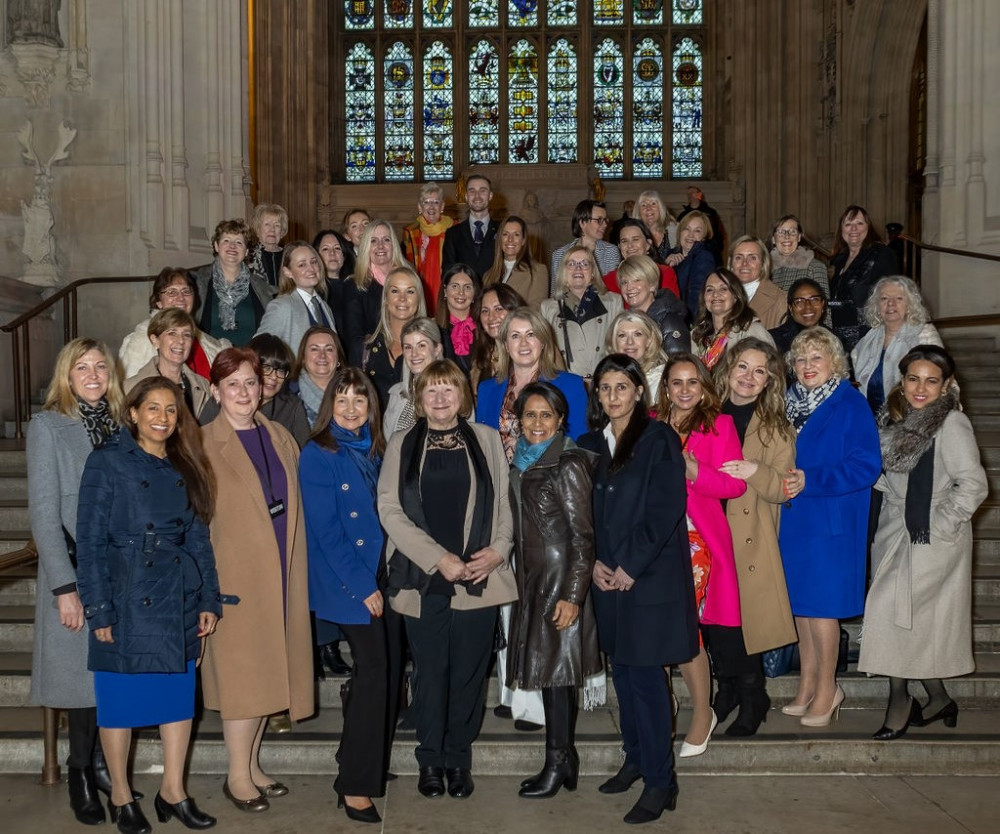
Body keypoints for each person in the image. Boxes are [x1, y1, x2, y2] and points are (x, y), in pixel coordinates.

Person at [76, 377, 221, 832]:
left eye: (171, 410)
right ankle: (121, 794)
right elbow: (90, 541)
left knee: (178, 702)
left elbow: (199, 537)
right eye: (152, 408)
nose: (162, 418)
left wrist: (209, 598)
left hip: (176, 594)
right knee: (119, 703)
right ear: (133, 413)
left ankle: (173, 791)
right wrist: (99, 608)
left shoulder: (185, 463)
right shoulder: (107, 462)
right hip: (125, 595)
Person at [378, 359, 518, 800]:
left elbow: (503, 505)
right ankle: (430, 760)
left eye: (449, 390)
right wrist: (439, 559)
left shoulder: (488, 439)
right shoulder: (402, 443)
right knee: (431, 673)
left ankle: (458, 760)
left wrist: (498, 551)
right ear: (419, 399)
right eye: (431, 391)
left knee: (468, 676)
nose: (440, 399)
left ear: (463, 396)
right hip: (424, 578)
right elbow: (389, 509)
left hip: (479, 575)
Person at [578, 354, 697, 824]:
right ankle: (635, 758)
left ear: (637, 392)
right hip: (606, 578)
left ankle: (661, 782)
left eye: (621, 388)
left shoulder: (658, 438)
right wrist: (594, 564)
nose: (612, 397)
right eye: (604, 389)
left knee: (647, 681)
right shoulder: (590, 443)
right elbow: (582, 513)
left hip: (648, 580)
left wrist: (629, 564)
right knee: (623, 676)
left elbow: (666, 507)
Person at [200, 348, 315, 813]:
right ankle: (236, 775)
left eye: (251, 382)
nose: (244, 392)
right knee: (244, 682)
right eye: (233, 385)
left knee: (273, 674)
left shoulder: (280, 435)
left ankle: (253, 765)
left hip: (282, 573)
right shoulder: (202, 443)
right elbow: (194, 522)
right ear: (215, 391)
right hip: (237, 578)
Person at [857, 346, 987, 739]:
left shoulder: (951, 423)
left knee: (889, 612)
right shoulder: (893, 418)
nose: (920, 388)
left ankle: (899, 701)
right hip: (896, 528)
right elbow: (889, 475)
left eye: (932, 381)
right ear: (902, 379)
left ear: (946, 385)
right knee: (910, 620)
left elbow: (974, 485)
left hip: (933, 536)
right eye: (913, 378)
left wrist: (942, 522)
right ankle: (939, 698)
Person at [28, 339, 126, 826]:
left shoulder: (122, 424)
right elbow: (44, 515)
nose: (92, 375)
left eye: (100, 367)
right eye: (81, 367)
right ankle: (81, 771)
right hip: (77, 572)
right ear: (66, 376)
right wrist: (65, 588)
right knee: (83, 685)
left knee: (111, 680)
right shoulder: (48, 426)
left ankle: (109, 764)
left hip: (121, 573)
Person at [300, 368, 390, 823]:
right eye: (342, 400)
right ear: (328, 406)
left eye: (360, 400)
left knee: (378, 677)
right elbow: (329, 532)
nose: (351, 408)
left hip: (379, 573)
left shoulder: (373, 447)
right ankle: (354, 783)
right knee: (374, 676)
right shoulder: (318, 453)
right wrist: (364, 589)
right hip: (349, 580)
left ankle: (359, 756)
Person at [779, 327, 881, 727]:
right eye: (801, 359)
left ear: (834, 362)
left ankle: (829, 688)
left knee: (822, 611)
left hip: (830, 522)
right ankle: (807, 684)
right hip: (794, 521)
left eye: (817, 358)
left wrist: (811, 479)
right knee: (802, 610)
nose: (808, 366)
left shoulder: (849, 403)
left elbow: (866, 465)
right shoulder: (789, 403)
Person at [506, 382, 602, 798]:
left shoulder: (568, 462)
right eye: (530, 415)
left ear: (561, 420)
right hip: (534, 579)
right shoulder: (525, 463)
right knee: (552, 675)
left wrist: (573, 594)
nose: (538, 423)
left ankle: (557, 761)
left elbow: (583, 537)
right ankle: (563, 759)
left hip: (560, 582)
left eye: (547, 415)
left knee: (559, 676)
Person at [659, 354, 746, 758]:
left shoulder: (719, 424)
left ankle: (702, 712)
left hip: (698, 540)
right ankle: (663, 703)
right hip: (656, 538)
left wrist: (696, 473)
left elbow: (735, 486)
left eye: (693, 382)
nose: (685, 390)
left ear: (704, 385)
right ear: (667, 387)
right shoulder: (651, 422)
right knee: (653, 621)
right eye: (677, 382)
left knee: (684, 626)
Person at [714, 339, 798, 736]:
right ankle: (727, 688)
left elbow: (784, 488)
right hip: (706, 527)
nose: (748, 377)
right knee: (713, 620)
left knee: (739, 621)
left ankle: (753, 695)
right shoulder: (706, 412)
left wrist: (755, 471)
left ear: (769, 381)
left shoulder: (777, 426)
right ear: (728, 369)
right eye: (742, 367)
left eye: (759, 371)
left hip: (747, 535)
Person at [477, 308, 589, 462]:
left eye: (531, 334)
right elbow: (481, 448)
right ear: (506, 345)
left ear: (542, 342)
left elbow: (579, 445)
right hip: (497, 481)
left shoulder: (571, 386)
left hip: (549, 480)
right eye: (515, 336)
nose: (524, 343)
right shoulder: (486, 389)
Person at [850, 276, 943, 413]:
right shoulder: (867, 340)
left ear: (910, 304)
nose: (891, 304)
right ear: (876, 306)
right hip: (871, 423)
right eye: (884, 299)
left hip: (910, 422)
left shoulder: (924, 334)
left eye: (899, 298)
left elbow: (945, 380)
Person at [119, 267, 231, 378]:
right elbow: (132, 389)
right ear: (158, 302)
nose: (181, 298)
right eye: (172, 292)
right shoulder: (142, 340)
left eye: (186, 291)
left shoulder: (207, 343)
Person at [541, 246, 624, 380]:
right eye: (571, 264)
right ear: (563, 272)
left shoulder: (613, 302)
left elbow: (620, 346)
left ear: (593, 273)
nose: (578, 268)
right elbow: (547, 354)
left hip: (604, 382)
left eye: (585, 264)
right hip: (567, 384)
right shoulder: (548, 308)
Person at [192, 219, 275, 347]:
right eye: (226, 240)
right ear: (216, 246)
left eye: (239, 242)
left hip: (251, 360)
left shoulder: (261, 288)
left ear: (246, 251)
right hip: (211, 360)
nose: (232, 246)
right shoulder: (197, 283)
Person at [829, 205, 899, 352]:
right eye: (848, 224)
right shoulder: (838, 259)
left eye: (859, 223)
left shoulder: (881, 254)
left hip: (868, 337)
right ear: (841, 229)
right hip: (837, 336)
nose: (853, 229)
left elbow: (893, 296)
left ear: (869, 227)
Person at [123, 309, 211, 423]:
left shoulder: (204, 386)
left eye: (187, 335)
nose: (180, 341)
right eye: (172, 333)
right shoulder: (129, 388)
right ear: (155, 340)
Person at [342, 220, 408, 365]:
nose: (380, 246)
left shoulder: (410, 279)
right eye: (373, 241)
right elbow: (355, 342)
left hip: (411, 358)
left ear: (394, 245)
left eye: (386, 239)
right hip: (375, 366)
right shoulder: (354, 285)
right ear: (366, 246)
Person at [255, 241, 337, 356]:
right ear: (288, 272)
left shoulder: (325, 307)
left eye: (313, 262)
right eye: (302, 265)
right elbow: (258, 348)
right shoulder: (281, 307)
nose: (311, 269)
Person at [362, 265, 428, 407]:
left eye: (410, 291)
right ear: (386, 298)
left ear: (419, 298)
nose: (402, 298)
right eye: (395, 291)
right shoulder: (366, 349)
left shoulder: (435, 344)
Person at [691, 269, 774, 370]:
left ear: (736, 296)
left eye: (723, 289)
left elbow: (772, 374)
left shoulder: (753, 332)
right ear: (704, 298)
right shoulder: (695, 336)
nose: (715, 294)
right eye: (709, 290)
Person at [615, 254, 689, 355]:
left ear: (652, 285)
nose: (629, 287)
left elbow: (679, 366)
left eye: (637, 280)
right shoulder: (623, 322)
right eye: (624, 282)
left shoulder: (669, 322)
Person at [384, 317, 444, 439]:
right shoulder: (396, 394)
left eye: (421, 345)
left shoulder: (452, 392)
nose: (414, 354)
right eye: (408, 347)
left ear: (437, 349)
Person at [247, 333, 311, 447]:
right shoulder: (225, 400)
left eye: (281, 371)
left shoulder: (292, 407)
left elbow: (306, 454)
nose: (274, 377)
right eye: (266, 368)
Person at [402, 182, 454, 313]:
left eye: (436, 202)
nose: (431, 207)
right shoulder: (410, 232)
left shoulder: (453, 229)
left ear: (442, 206)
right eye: (426, 202)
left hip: (446, 290)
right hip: (419, 290)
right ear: (420, 206)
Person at [469, 283, 527, 392]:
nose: (491, 317)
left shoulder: (533, 349)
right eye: (485, 311)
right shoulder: (480, 357)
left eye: (498, 309)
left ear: (514, 310)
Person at [482, 215, 549, 309]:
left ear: (523, 240)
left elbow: (537, 310)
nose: (510, 239)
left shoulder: (537, 271)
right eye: (505, 234)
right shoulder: (488, 276)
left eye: (516, 235)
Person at [442, 173, 500, 280]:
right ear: (466, 197)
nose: (477, 196)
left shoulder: (502, 230)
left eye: (482, 190)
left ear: (490, 195)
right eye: (472, 191)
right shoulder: (453, 233)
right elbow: (447, 272)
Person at [602, 218, 680, 297]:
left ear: (648, 244)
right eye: (624, 241)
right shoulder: (610, 279)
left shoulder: (664, 273)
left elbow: (672, 307)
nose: (630, 245)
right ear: (619, 246)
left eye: (635, 239)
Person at [550, 199, 620, 283]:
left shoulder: (611, 251)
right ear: (583, 222)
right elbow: (556, 292)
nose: (605, 225)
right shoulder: (559, 254)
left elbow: (612, 290)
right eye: (599, 220)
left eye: (606, 220)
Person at [605, 311, 668, 404]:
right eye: (622, 335)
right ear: (614, 342)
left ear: (649, 341)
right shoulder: (606, 377)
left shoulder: (661, 380)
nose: (630, 342)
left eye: (637, 334)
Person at [666, 210, 718, 319]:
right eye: (686, 229)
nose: (690, 235)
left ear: (704, 237)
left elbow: (697, 298)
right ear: (680, 232)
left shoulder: (704, 257)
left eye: (697, 231)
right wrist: (666, 266)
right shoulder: (670, 255)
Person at [729, 236, 787, 330]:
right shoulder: (719, 296)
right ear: (731, 264)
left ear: (763, 264)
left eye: (752, 258)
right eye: (738, 258)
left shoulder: (780, 299)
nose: (744, 263)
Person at [290, 325, 343, 427]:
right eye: (314, 349)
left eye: (329, 349)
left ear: (338, 358)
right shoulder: (288, 400)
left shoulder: (356, 393)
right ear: (303, 358)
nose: (322, 355)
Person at [435, 263, 481, 377]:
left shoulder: (485, 328)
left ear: (474, 293)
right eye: (455, 286)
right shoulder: (433, 329)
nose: (461, 292)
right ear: (445, 291)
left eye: (467, 287)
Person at [768, 277, 833, 355]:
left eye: (814, 299)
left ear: (823, 304)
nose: (808, 306)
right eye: (799, 301)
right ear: (791, 308)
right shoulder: (772, 340)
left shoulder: (835, 339)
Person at [769, 215, 830, 296]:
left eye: (792, 232)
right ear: (773, 239)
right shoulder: (764, 270)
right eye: (780, 232)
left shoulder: (815, 267)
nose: (787, 236)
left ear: (799, 237)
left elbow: (824, 305)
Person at [313, 228, 355, 338]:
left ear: (344, 256)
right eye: (326, 249)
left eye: (337, 248)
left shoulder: (356, 287)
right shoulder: (311, 290)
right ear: (316, 256)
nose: (332, 253)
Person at [677, 186, 724, 262]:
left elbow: (718, 233)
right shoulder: (683, 215)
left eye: (692, 193)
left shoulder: (710, 213)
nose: (690, 195)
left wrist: (716, 249)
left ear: (699, 195)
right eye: (688, 194)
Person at [248, 203, 288, 289]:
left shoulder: (290, 255)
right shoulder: (248, 256)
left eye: (277, 225)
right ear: (258, 229)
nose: (272, 229)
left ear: (282, 232)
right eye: (267, 224)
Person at [632, 190, 678, 261]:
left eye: (653, 203)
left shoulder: (674, 230)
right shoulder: (634, 236)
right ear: (639, 212)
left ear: (660, 208)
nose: (648, 208)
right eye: (643, 205)